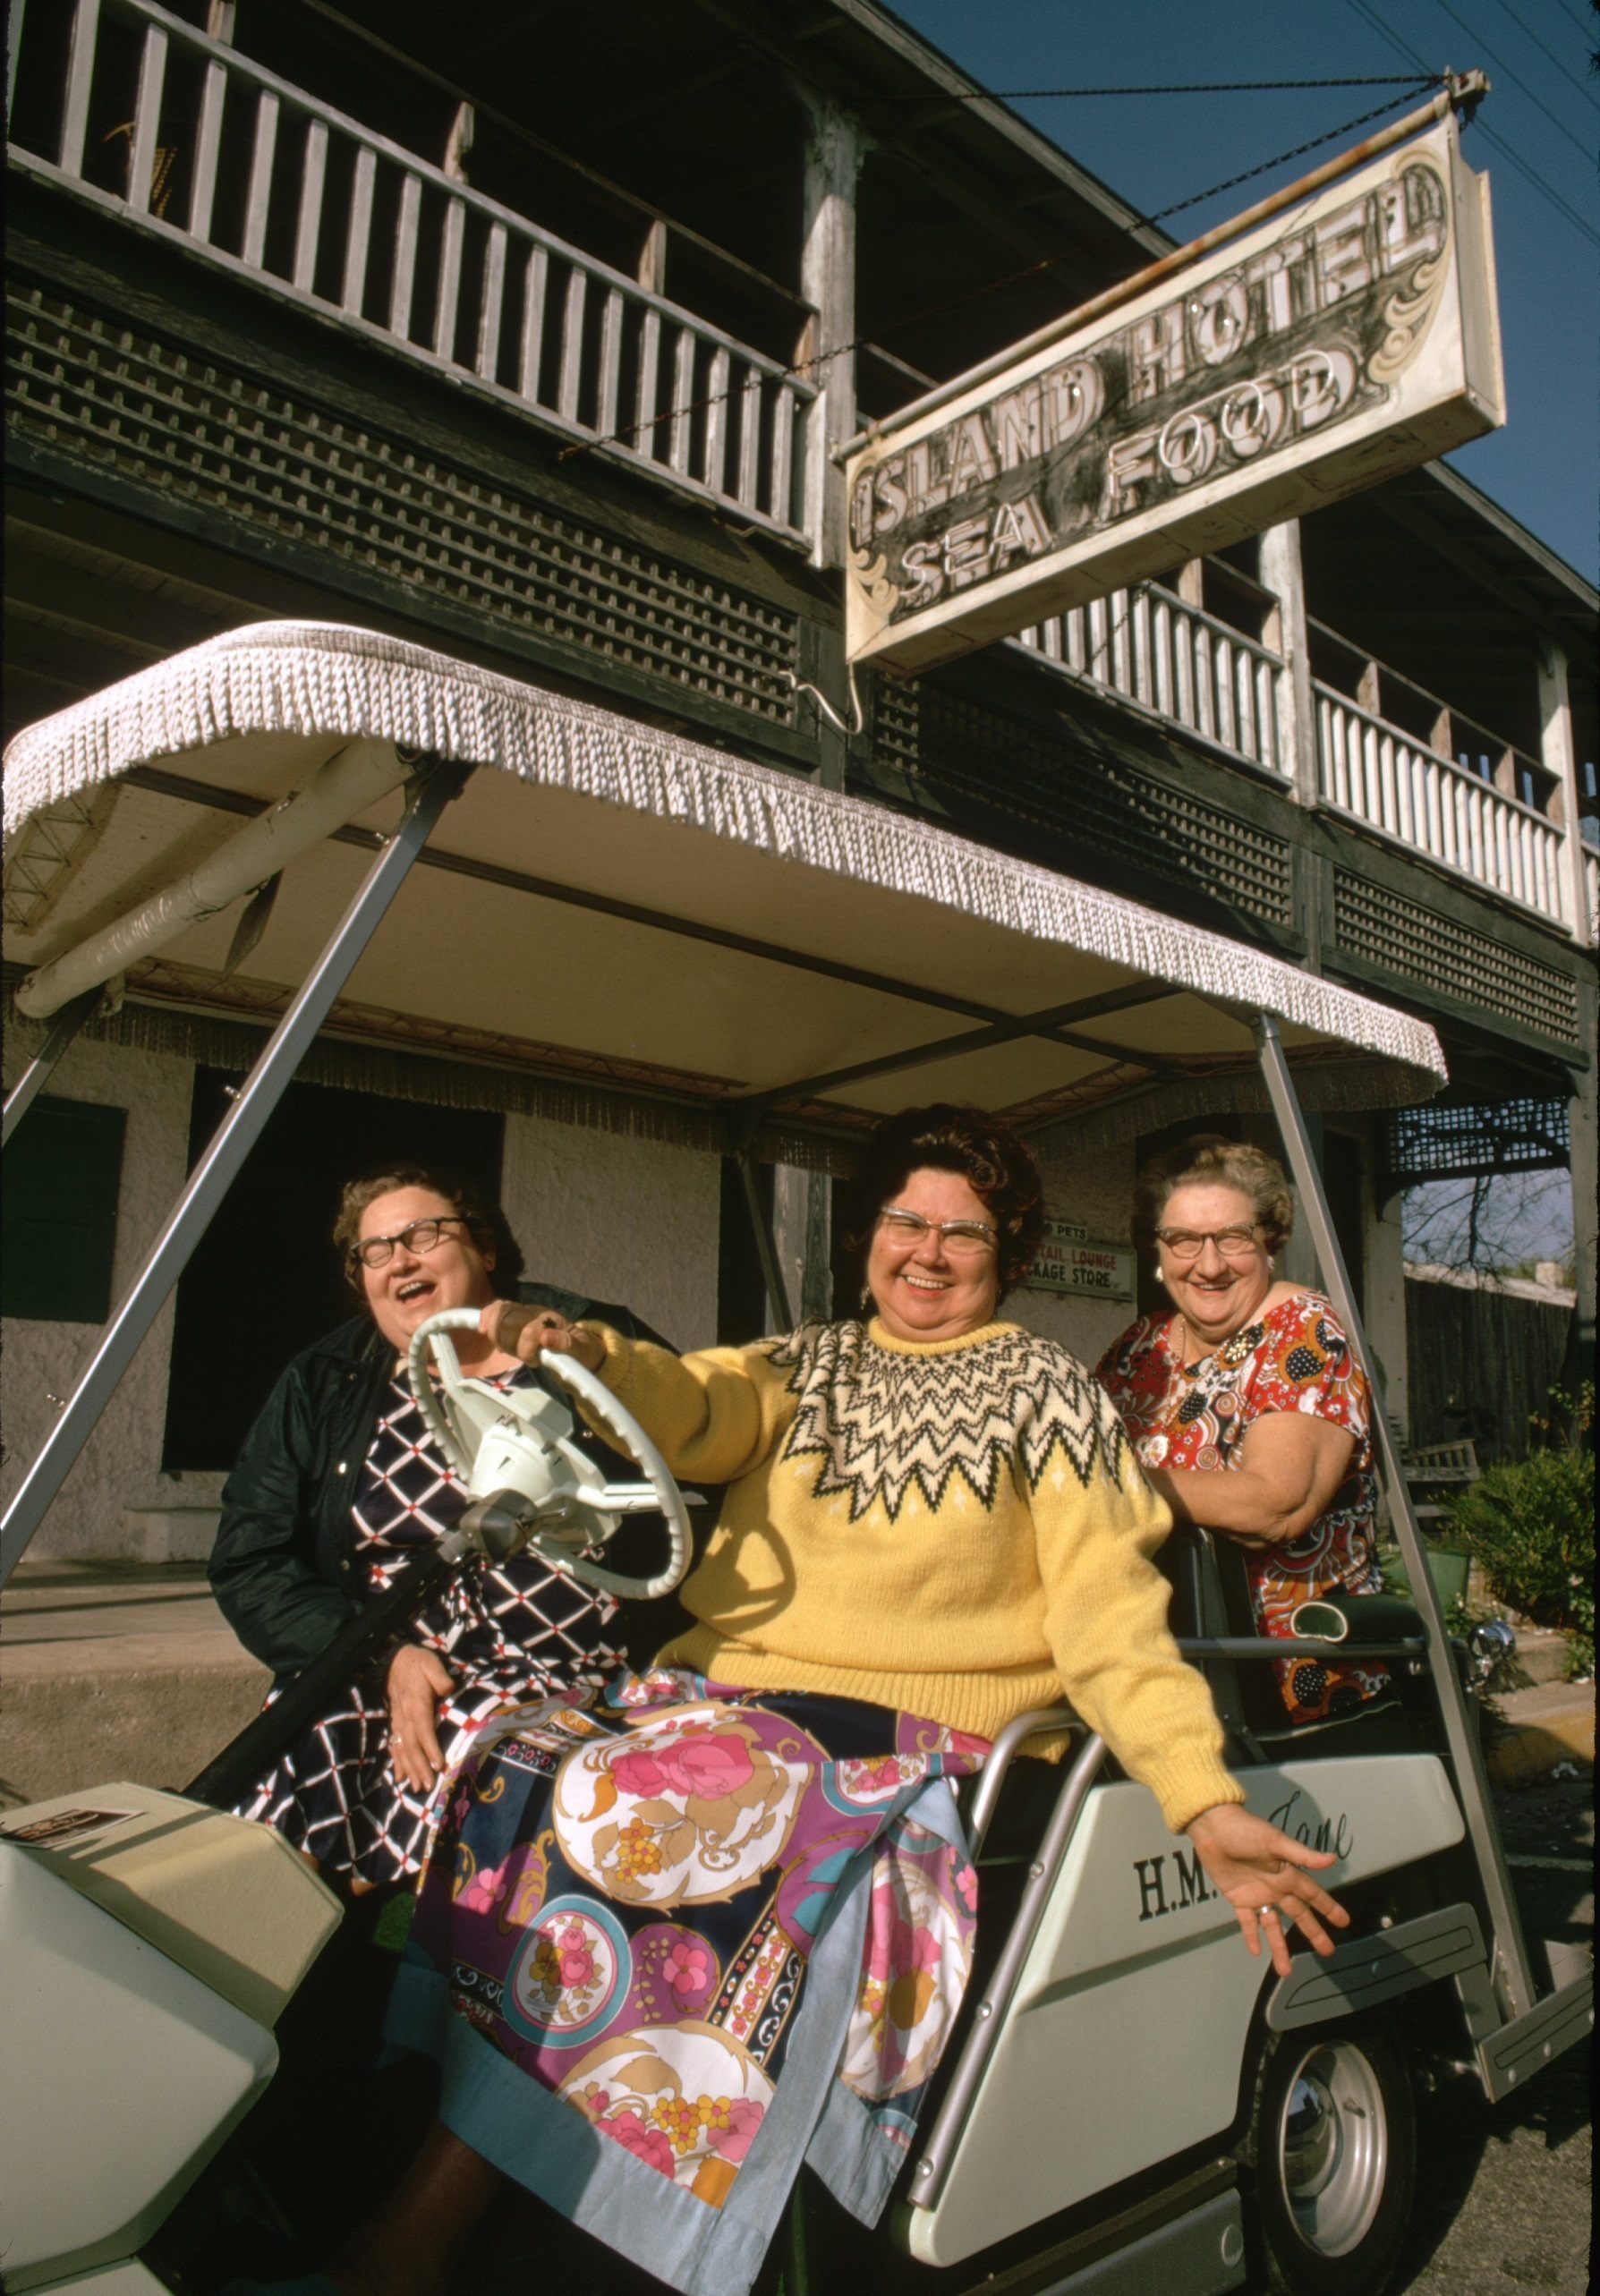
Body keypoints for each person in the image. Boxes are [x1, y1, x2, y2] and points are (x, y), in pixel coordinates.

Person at [258, 1107, 1347, 2296]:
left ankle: (426, 2236)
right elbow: (682, 1400)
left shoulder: (1049, 1394)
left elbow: (1110, 1623)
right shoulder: (800, 1363)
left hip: (901, 1739)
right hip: (728, 1706)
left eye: (963, 1231)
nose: (926, 1250)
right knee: (519, 1764)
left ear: (1008, 1251)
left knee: (646, 1819)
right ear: (868, 1232)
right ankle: (403, 2142)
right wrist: (575, 1351)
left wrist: (1202, 1799)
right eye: (904, 1219)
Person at [210, 1164, 661, 1892]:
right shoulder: (324, 1380)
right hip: (377, 1653)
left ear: (484, 1249)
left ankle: (415, 1964)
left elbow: (696, 1463)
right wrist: (385, 1655)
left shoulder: (591, 1344)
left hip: (560, 1675)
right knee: (301, 1751)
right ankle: (287, 1965)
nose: (402, 1261)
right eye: (376, 1251)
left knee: (490, 1774)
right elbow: (249, 1560)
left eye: (424, 1234)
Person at [1096, 1134, 1385, 1726]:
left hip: (1281, 1683)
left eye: (1232, 1238)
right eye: (1183, 1240)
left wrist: (1104, 1489)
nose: (1208, 1265)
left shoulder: (1303, 1330)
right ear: (1157, 1248)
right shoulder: (1139, 1346)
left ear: (1269, 1241)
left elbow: (1274, 1503)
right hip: (1161, 1665)